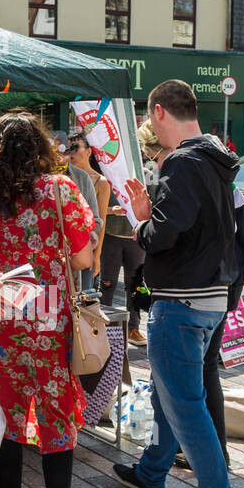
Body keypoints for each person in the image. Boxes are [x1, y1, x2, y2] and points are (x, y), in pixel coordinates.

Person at [115, 80, 241, 488]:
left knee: (186, 406)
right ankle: (151, 474)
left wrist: (143, 221)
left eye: (148, 119)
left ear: (160, 111)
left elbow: (163, 235)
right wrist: (154, 213)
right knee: (173, 397)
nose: (149, 127)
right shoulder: (214, 158)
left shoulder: (184, 161)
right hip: (209, 298)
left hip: (182, 301)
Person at [0, 112, 95, 488]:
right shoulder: (59, 190)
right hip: (48, 317)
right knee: (55, 418)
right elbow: (83, 260)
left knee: (6, 418)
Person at [96, 127, 150, 346]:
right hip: (111, 234)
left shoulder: (146, 172)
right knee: (107, 284)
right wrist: (110, 211)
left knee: (135, 285)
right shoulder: (106, 170)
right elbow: (96, 205)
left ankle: (133, 328)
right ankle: (104, 328)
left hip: (136, 236)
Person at [52, 131, 103, 293]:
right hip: (47, 259)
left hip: (77, 257)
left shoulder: (81, 178)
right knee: (48, 306)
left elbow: (96, 219)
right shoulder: (36, 179)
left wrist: (89, 238)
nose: (59, 159)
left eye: (63, 154)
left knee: (77, 307)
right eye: (54, 155)